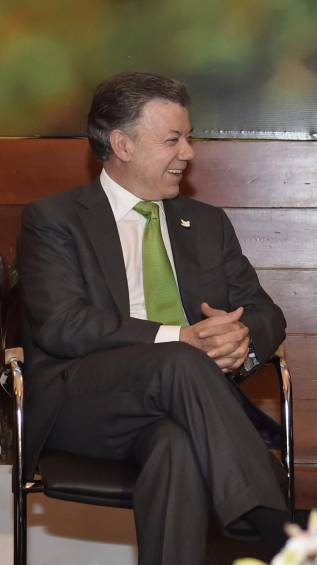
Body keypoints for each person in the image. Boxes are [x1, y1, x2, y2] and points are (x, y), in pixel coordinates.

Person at [19, 72, 289, 565]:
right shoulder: (54, 220)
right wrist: (182, 337)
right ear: (122, 144)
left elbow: (266, 311)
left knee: (176, 450)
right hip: (83, 404)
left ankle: (263, 522)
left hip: (188, 410)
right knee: (179, 360)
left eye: (189, 136)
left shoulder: (206, 224)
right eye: (173, 139)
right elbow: (63, 324)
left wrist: (241, 340)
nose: (189, 152)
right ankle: (280, 530)